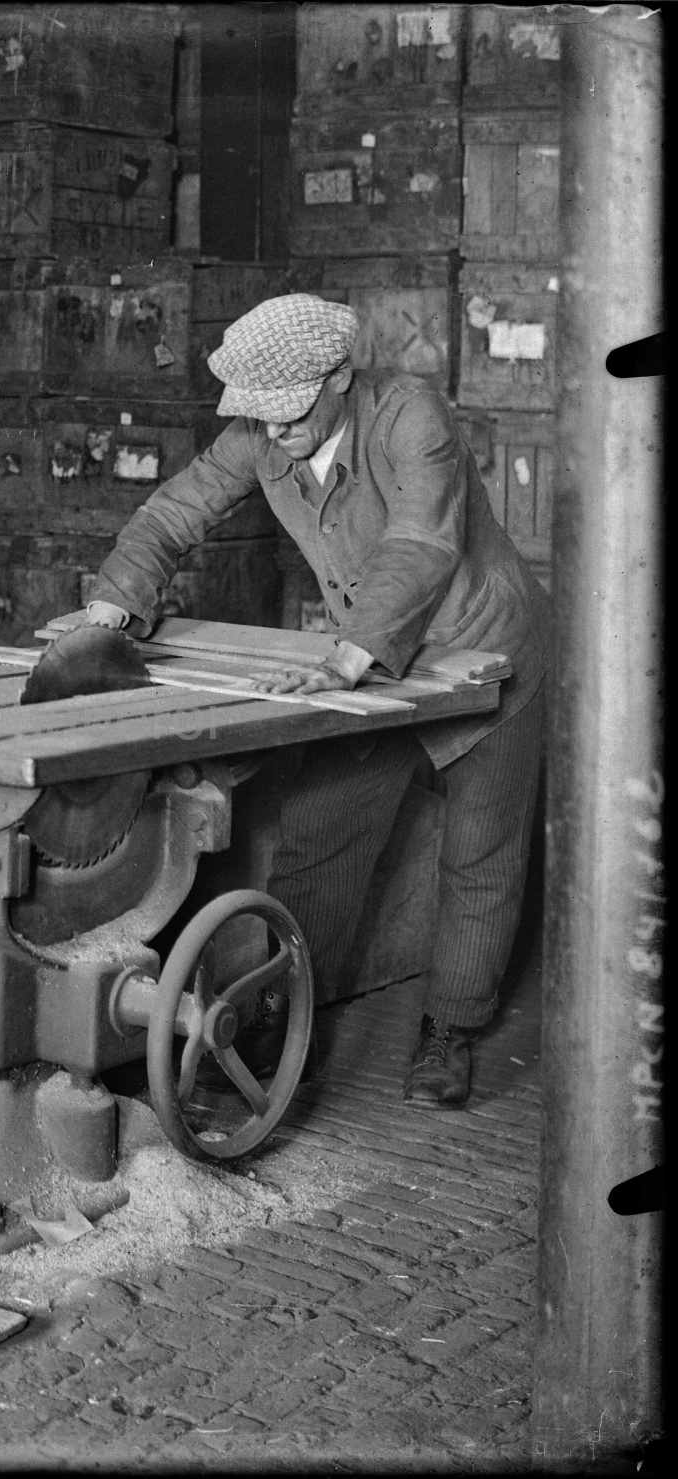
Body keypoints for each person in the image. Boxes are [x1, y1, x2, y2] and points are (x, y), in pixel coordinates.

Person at [78, 293, 551, 1110]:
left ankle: (450, 1029)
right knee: (322, 827)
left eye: (289, 413)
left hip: (486, 649)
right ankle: (280, 1010)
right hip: (368, 661)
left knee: (480, 853)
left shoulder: (410, 416)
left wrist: (347, 657)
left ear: (340, 375)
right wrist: (113, 603)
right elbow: (176, 510)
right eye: (259, 418)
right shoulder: (265, 433)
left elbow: (421, 541)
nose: (275, 432)